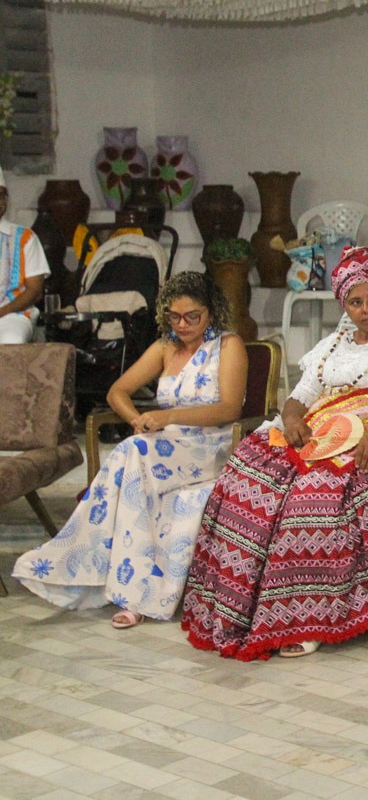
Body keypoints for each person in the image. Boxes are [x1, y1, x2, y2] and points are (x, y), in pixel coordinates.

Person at [182, 248, 368, 660]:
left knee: (314, 497)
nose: (366, 310)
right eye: (355, 302)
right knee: (245, 477)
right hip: (321, 433)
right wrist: (292, 421)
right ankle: (241, 610)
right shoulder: (331, 346)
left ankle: (309, 618)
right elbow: (299, 398)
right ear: (344, 304)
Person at [13, 272, 247, 626]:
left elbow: (230, 409)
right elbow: (116, 392)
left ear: (211, 312)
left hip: (210, 444)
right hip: (164, 447)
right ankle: (131, 593)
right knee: (133, 452)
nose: (182, 324)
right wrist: (137, 419)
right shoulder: (164, 348)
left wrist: (167, 416)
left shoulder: (228, 346)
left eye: (192, 316)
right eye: (174, 316)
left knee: (131, 453)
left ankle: (83, 567)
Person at [0, 166, 51, 343]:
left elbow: (35, 291)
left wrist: (2, 312)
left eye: (1, 195)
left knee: (11, 338)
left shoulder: (25, 237)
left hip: (12, 316)